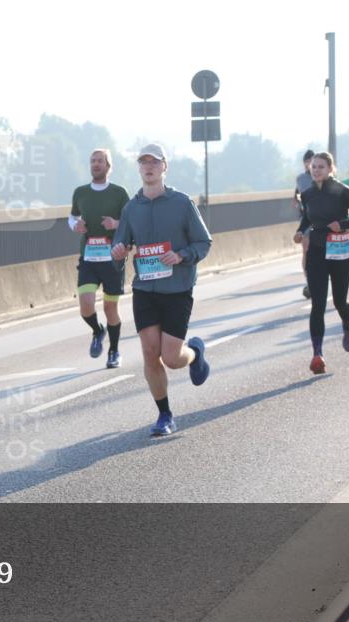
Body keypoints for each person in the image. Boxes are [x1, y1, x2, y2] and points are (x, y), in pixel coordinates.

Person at [111, 144, 212, 437]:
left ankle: (194, 352)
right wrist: (118, 250)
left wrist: (181, 256)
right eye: (143, 162)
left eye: (154, 162)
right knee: (149, 352)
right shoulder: (131, 208)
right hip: (145, 289)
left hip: (177, 288)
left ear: (164, 166)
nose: (148, 167)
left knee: (171, 358)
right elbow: (121, 244)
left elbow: (203, 243)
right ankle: (164, 414)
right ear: (139, 169)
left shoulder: (182, 203)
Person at [293, 152, 349, 374]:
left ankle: (348, 323)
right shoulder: (307, 194)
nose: (316, 170)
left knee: (338, 301)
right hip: (317, 251)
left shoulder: (342, 191)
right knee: (318, 303)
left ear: (330, 169)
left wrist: (343, 222)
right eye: (314, 167)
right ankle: (317, 354)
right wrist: (300, 231)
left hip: (339, 251)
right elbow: (307, 217)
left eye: (321, 167)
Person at [69, 149, 130, 368]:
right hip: (88, 259)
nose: (96, 164)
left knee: (110, 309)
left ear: (108, 166)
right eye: (93, 161)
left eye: (100, 161)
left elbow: (131, 221)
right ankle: (97, 331)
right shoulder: (80, 192)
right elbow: (73, 216)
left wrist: (116, 224)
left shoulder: (119, 193)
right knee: (86, 306)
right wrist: (76, 225)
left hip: (113, 259)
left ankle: (114, 352)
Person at [294, 149, 315, 299]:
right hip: (307, 218)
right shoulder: (301, 179)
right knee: (306, 250)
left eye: (313, 162)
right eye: (308, 162)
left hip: (324, 219)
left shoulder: (325, 177)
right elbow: (298, 194)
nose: (311, 165)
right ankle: (309, 282)